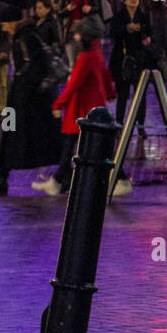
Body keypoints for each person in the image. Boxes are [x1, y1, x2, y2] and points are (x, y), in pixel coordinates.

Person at [33, 13, 114, 196]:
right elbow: (105, 74)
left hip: (81, 107)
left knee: (72, 144)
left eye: (78, 34)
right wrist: (110, 93)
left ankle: (58, 181)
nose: (75, 37)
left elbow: (72, 85)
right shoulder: (95, 53)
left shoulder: (86, 57)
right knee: (76, 145)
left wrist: (57, 104)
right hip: (88, 105)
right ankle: (59, 181)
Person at [0, 20, 62, 195]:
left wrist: (23, 84)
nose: (4, 26)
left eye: (6, 23)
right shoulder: (20, 38)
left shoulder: (27, 38)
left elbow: (37, 66)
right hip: (17, 99)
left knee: (16, 136)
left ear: (15, 22)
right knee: (9, 135)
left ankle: (2, 179)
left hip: (24, 101)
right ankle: (1, 178)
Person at [109, 0, 152, 136]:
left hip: (139, 59)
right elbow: (113, 33)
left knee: (140, 93)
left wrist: (146, 37)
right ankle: (119, 124)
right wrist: (127, 29)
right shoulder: (120, 16)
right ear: (125, 1)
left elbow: (149, 32)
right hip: (122, 59)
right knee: (123, 93)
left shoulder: (143, 16)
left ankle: (141, 125)